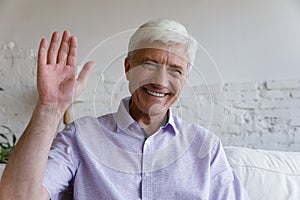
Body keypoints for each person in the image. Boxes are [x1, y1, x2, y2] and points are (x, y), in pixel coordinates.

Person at [0, 19, 250, 199]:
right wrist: (50, 107)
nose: (161, 81)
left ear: (185, 78)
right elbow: (17, 197)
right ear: (128, 68)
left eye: (175, 69)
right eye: (150, 64)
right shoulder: (81, 137)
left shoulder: (205, 146)